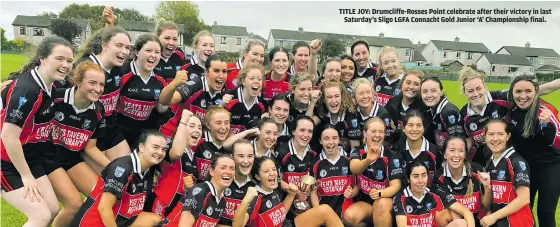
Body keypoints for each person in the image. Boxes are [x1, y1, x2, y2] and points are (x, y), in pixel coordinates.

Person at [1, 36, 73, 226]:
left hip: (30, 156)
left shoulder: (54, 83)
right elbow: (8, 136)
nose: (65, 65)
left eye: (69, 60)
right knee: (40, 215)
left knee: (52, 208)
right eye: (59, 58)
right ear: (42, 58)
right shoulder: (28, 90)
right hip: (6, 160)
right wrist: (26, 176)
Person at [43, 62, 107, 227]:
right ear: (78, 81)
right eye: (92, 83)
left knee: (100, 197)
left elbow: (90, 147)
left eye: (101, 84)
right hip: (47, 158)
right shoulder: (55, 97)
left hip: (72, 159)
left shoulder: (99, 111)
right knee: (74, 204)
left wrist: (115, 166)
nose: (98, 89)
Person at [70, 130, 166, 227]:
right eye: (156, 147)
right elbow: (103, 208)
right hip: (95, 223)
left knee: (155, 220)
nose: (160, 152)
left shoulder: (146, 172)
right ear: (141, 147)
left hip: (120, 219)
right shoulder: (122, 168)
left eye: (163, 149)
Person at [505, 74, 559, 227]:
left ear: (536, 91)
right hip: (526, 167)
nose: (523, 96)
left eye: (528, 91)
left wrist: (546, 126)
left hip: (550, 167)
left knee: (546, 212)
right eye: (518, 92)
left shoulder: (545, 111)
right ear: (512, 92)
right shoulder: (511, 108)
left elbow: (556, 141)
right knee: (524, 210)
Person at [75, 26, 133, 168]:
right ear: (105, 45)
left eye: (127, 47)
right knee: (110, 179)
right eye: (119, 45)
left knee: (127, 172)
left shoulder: (119, 67)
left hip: (110, 129)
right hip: (87, 135)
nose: (124, 51)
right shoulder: (84, 66)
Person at [232, 157, 345, 227]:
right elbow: (237, 225)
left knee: (325, 210)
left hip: (286, 224)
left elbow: (281, 214)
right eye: (266, 171)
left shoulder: (274, 187)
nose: (272, 173)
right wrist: (246, 200)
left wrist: (291, 195)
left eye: (274, 169)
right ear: (257, 176)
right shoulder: (254, 197)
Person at [345, 117, 403, 227]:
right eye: (373, 131)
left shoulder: (390, 155)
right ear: (365, 133)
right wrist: (368, 160)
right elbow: (354, 168)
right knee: (349, 217)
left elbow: (396, 186)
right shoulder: (358, 151)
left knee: (380, 204)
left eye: (381, 132)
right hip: (366, 203)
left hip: (385, 202)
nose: (377, 135)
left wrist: (379, 193)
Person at [158, 54, 228, 140]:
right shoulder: (195, 85)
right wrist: (174, 84)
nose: (221, 76)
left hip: (191, 140)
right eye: (216, 71)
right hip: (169, 135)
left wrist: (221, 107)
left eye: (224, 71)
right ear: (206, 72)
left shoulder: (224, 94)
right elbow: (164, 101)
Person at [150, 110, 201, 224]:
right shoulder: (170, 148)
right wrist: (183, 120)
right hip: (160, 205)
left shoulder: (194, 156)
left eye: (199, 127)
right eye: (192, 126)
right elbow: (177, 153)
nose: (197, 130)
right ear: (181, 129)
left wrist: (189, 189)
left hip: (176, 210)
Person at [481, 119, 534, 227]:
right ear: (485, 136)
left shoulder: (517, 162)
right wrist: (487, 187)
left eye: (500, 134)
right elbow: (488, 205)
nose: (495, 139)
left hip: (518, 223)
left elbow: (524, 199)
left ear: (508, 136)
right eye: (491, 134)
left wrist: (494, 216)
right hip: (498, 222)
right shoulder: (489, 163)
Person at [117, 34, 168, 146]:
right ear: (137, 52)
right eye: (148, 50)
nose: (153, 55)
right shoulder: (122, 72)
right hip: (119, 131)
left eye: (157, 52)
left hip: (144, 133)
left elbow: (161, 108)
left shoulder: (160, 78)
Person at [393, 160, 475, 227]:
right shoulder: (400, 197)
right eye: (416, 176)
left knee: (461, 223)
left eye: (424, 175)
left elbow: (465, 211)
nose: (420, 181)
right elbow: (402, 225)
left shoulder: (435, 192)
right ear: (408, 179)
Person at [433, 137, 492, 227]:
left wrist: (487, 187)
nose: (456, 155)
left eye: (461, 151)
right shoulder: (439, 176)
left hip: (480, 222)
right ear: (444, 154)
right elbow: (463, 211)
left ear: (465, 154)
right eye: (452, 150)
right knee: (444, 213)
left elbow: (487, 206)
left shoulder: (477, 170)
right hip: (459, 222)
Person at [274, 116, 317, 222]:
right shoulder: (282, 151)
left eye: (310, 131)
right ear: (293, 131)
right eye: (302, 130)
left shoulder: (313, 153)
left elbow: (312, 181)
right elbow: (277, 180)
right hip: (282, 202)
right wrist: (296, 192)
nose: (306, 135)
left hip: (304, 203)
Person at [310, 126, 357, 218]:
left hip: (346, 212)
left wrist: (352, 193)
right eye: (326, 139)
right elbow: (313, 192)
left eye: (334, 138)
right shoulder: (315, 163)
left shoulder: (350, 160)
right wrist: (318, 212)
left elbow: (357, 185)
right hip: (325, 213)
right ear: (320, 141)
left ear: (339, 139)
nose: (331, 142)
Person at [177, 154, 235, 227]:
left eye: (232, 168)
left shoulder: (222, 201)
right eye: (223, 168)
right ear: (211, 171)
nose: (228, 172)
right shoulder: (200, 192)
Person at [311, 81, 360, 152]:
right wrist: (312, 103)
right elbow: (306, 125)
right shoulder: (322, 113)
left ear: (342, 97)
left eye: (337, 96)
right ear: (324, 99)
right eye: (329, 97)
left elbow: (355, 150)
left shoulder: (351, 118)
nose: (334, 100)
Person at [217, 139, 256, 226]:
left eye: (250, 156)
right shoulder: (220, 179)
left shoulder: (256, 186)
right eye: (241, 156)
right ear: (232, 157)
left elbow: (239, 225)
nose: (246, 161)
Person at [394, 110, 439, 184]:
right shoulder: (396, 150)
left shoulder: (434, 151)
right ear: (403, 128)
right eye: (410, 125)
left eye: (419, 125)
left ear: (424, 128)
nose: (414, 129)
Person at [420, 77, 462, 153]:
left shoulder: (447, 112)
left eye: (433, 91)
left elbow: (457, 142)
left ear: (441, 92)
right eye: (425, 91)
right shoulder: (430, 109)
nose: (429, 95)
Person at [224, 63, 266, 135]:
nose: (256, 81)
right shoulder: (229, 98)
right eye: (252, 78)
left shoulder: (262, 104)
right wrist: (221, 106)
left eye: (259, 79)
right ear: (243, 81)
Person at [385, 70, 426, 142]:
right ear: (402, 84)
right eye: (408, 83)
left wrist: (397, 130)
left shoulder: (424, 108)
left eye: (416, 84)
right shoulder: (392, 103)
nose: (411, 87)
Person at [193, 106, 231, 181]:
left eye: (226, 123)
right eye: (218, 123)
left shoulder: (230, 147)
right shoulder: (198, 142)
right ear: (208, 125)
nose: (223, 127)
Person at [351, 78, 393, 144]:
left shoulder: (383, 114)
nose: (365, 96)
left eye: (368, 92)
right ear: (354, 97)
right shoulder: (352, 113)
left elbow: (386, 142)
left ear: (373, 94)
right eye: (361, 93)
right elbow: (353, 140)